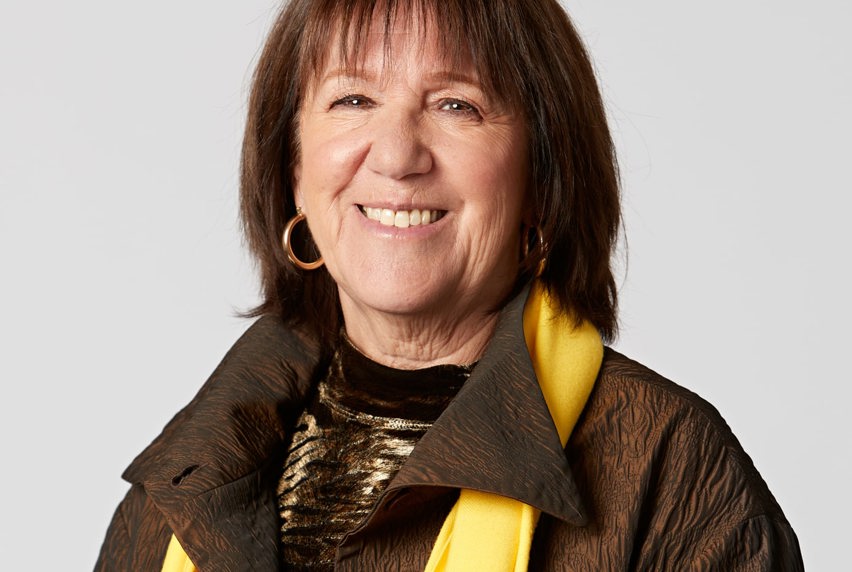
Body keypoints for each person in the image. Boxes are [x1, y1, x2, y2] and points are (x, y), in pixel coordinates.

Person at [96, 0, 804, 570]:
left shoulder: (667, 467)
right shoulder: (192, 476)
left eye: (456, 105)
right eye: (353, 99)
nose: (399, 154)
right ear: (293, 171)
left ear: (541, 180)